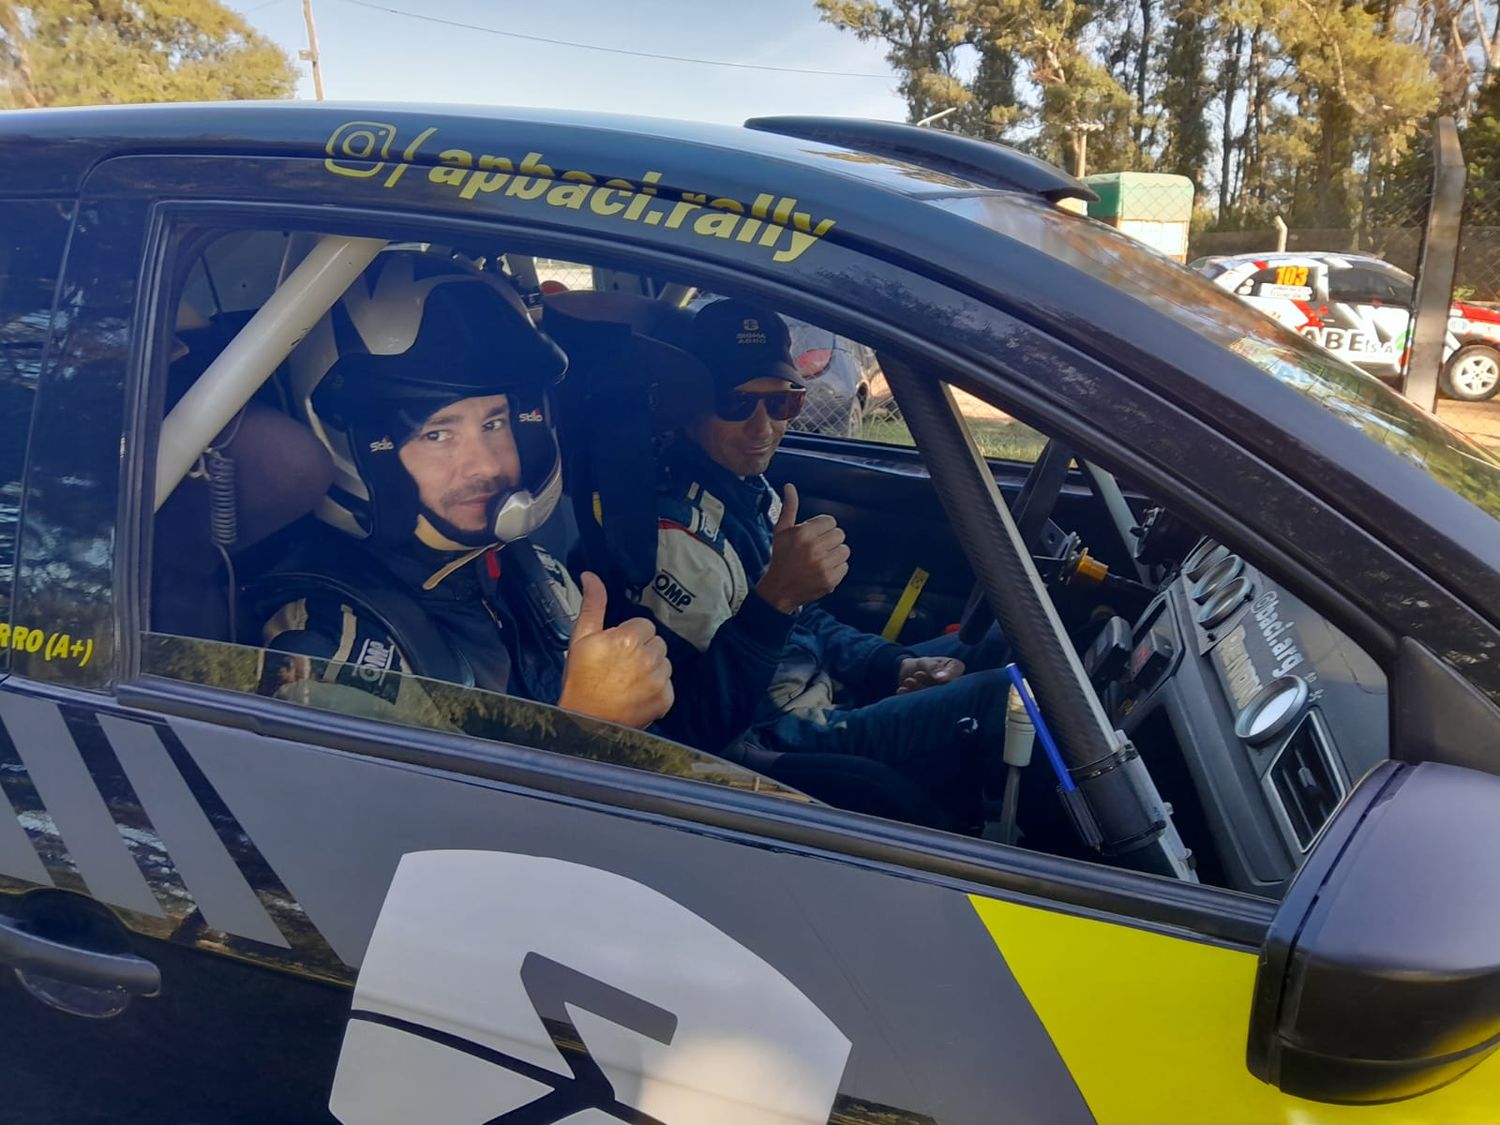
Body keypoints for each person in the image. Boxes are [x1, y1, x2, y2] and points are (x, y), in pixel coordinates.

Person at [255, 248, 672, 729]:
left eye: (495, 423)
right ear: (361, 449)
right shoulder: (327, 644)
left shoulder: (529, 573)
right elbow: (374, 808)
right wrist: (585, 728)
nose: (485, 465)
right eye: (437, 434)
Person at [632, 298, 1010, 817]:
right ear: (692, 407)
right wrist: (775, 599)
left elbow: (805, 621)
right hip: (778, 741)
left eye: (782, 403)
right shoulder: (673, 535)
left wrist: (892, 664)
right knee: (1003, 701)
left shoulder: (748, 491)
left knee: (1007, 641)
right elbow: (699, 728)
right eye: (737, 403)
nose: (762, 428)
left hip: (824, 695)